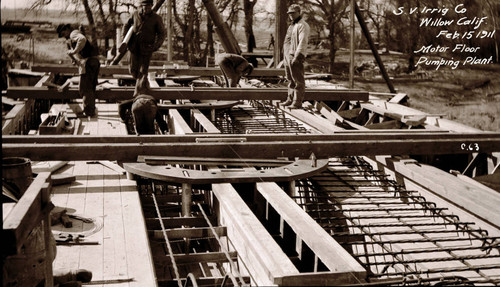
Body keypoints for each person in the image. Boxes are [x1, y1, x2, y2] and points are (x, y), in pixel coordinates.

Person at [57, 23, 100, 117]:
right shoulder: (72, 37)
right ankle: (90, 110)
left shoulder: (73, 33)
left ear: (67, 29)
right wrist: (75, 59)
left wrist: (74, 51)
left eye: (63, 33)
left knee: (84, 89)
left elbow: (82, 39)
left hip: (88, 63)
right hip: (93, 61)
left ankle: (88, 112)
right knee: (90, 88)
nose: (64, 36)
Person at [123, 0, 166, 93]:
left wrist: (155, 46)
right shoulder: (135, 14)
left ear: (151, 6)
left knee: (143, 71)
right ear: (141, 6)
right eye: (144, 6)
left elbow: (162, 34)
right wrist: (125, 40)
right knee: (133, 71)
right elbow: (126, 25)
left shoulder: (156, 18)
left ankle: (139, 92)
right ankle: (145, 86)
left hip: (146, 48)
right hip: (133, 47)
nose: (146, 9)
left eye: (148, 7)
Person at [281, 4, 310, 109]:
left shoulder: (302, 25)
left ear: (299, 13)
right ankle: (290, 99)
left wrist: (297, 56)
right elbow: (287, 41)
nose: (291, 15)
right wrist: (285, 56)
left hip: (295, 55)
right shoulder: (292, 26)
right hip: (288, 55)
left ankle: (297, 102)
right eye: (289, 13)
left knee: (298, 80)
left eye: (293, 13)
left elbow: (303, 42)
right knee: (290, 79)